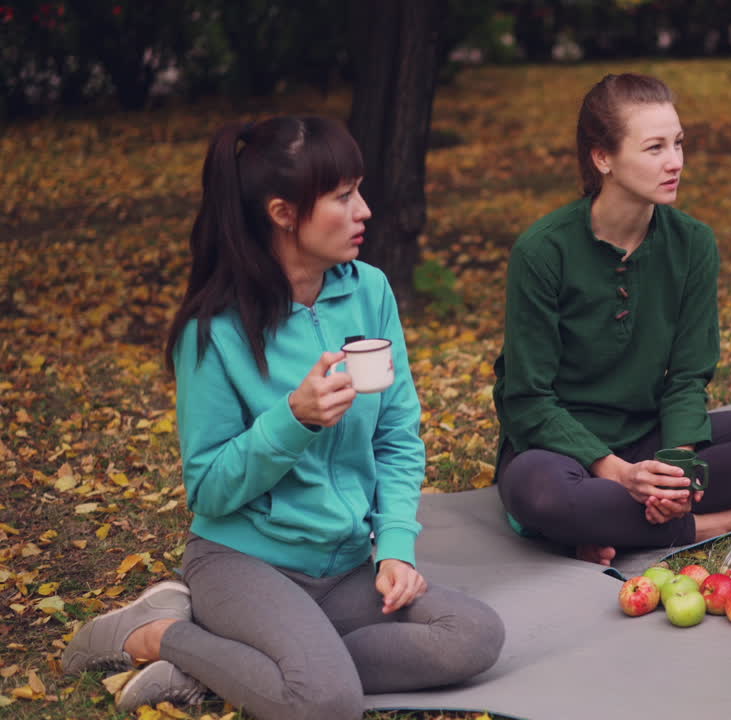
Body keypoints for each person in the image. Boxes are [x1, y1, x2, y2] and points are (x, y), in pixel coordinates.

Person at [60, 116, 504, 718]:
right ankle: (159, 635)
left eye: (359, 190)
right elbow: (208, 489)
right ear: (283, 213)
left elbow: (398, 436)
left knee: (473, 635)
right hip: (244, 563)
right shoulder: (213, 330)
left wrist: (396, 548)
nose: (364, 210)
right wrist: (292, 419)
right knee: (326, 702)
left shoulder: (370, 291)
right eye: (342, 196)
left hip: (344, 565)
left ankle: (249, 666)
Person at [492, 73, 731, 566]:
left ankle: (610, 523)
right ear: (602, 158)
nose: (675, 162)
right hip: (559, 450)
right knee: (541, 493)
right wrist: (618, 473)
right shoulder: (543, 251)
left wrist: (678, 469)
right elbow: (527, 400)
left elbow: (688, 376)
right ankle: (710, 524)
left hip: (650, 435)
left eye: (678, 143)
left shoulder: (693, 243)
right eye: (654, 148)